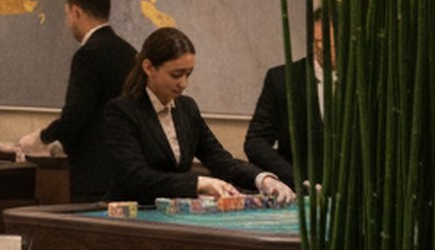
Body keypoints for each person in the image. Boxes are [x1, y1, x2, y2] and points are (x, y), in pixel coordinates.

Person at [102, 26, 296, 205]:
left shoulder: (187, 108)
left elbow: (221, 161)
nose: (183, 83)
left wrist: (262, 178)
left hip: (172, 216)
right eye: (176, 75)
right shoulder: (121, 111)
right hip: (132, 216)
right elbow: (138, 177)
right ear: (148, 68)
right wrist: (198, 183)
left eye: (188, 74)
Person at [18, 0, 136, 200]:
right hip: (126, 169)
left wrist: (42, 138)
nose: (67, 23)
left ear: (76, 11)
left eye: (67, 15)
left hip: (93, 173)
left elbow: (76, 113)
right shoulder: (129, 52)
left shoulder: (87, 55)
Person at [245, 9, 331, 187]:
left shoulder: (366, 81)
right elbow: (256, 142)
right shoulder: (283, 79)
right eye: (318, 42)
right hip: (298, 189)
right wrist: (295, 178)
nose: (323, 49)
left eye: (331, 43)